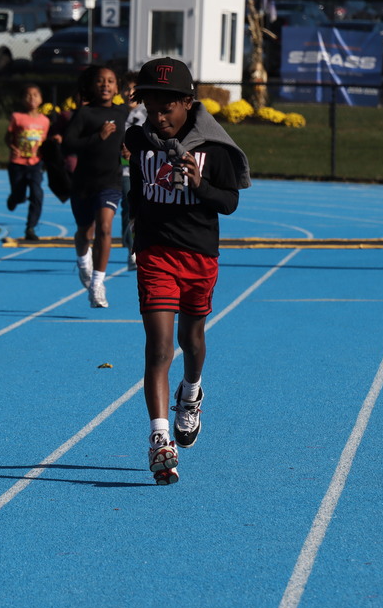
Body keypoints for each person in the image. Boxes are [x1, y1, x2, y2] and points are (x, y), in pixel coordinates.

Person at [124, 57, 251, 485]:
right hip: (156, 255)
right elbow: (138, 192)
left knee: (190, 341)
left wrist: (199, 184)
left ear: (188, 104)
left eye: (167, 109)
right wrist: (135, 227)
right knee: (159, 347)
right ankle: (160, 439)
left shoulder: (213, 149)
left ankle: (191, 392)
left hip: (199, 256)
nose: (158, 118)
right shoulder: (138, 141)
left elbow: (229, 202)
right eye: (150, 109)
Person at [62, 64, 128, 308]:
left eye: (110, 81)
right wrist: (97, 137)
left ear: (117, 87)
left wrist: (127, 153)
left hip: (110, 181)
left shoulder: (122, 114)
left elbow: (125, 144)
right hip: (83, 183)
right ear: (91, 85)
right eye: (100, 81)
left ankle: (98, 285)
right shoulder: (84, 114)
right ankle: (83, 262)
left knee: (105, 228)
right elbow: (67, 145)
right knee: (84, 231)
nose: (105, 85)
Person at [5, 83, 51, 241]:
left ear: (41, 99)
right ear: (23, 99)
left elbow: (46, 142)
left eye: (35, 95)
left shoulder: (45, 121)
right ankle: (14, 199)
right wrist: (13, 147)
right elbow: (8, 137)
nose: (32, 98)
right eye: (28, 95)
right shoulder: (17, 117)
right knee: (19, 195)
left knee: (37, 194)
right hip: (17, 163)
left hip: (36, 163)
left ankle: (30, 227)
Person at [119, 70, 146, 271]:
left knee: (141, 209)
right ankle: (131, 248)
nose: (129, 93)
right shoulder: (116, 113)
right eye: (126, 89)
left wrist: (134, 149)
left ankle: (139, 249)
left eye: (134, 89)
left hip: (143, 169)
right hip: (120, 170)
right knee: (128, 208)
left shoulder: (148, 114)